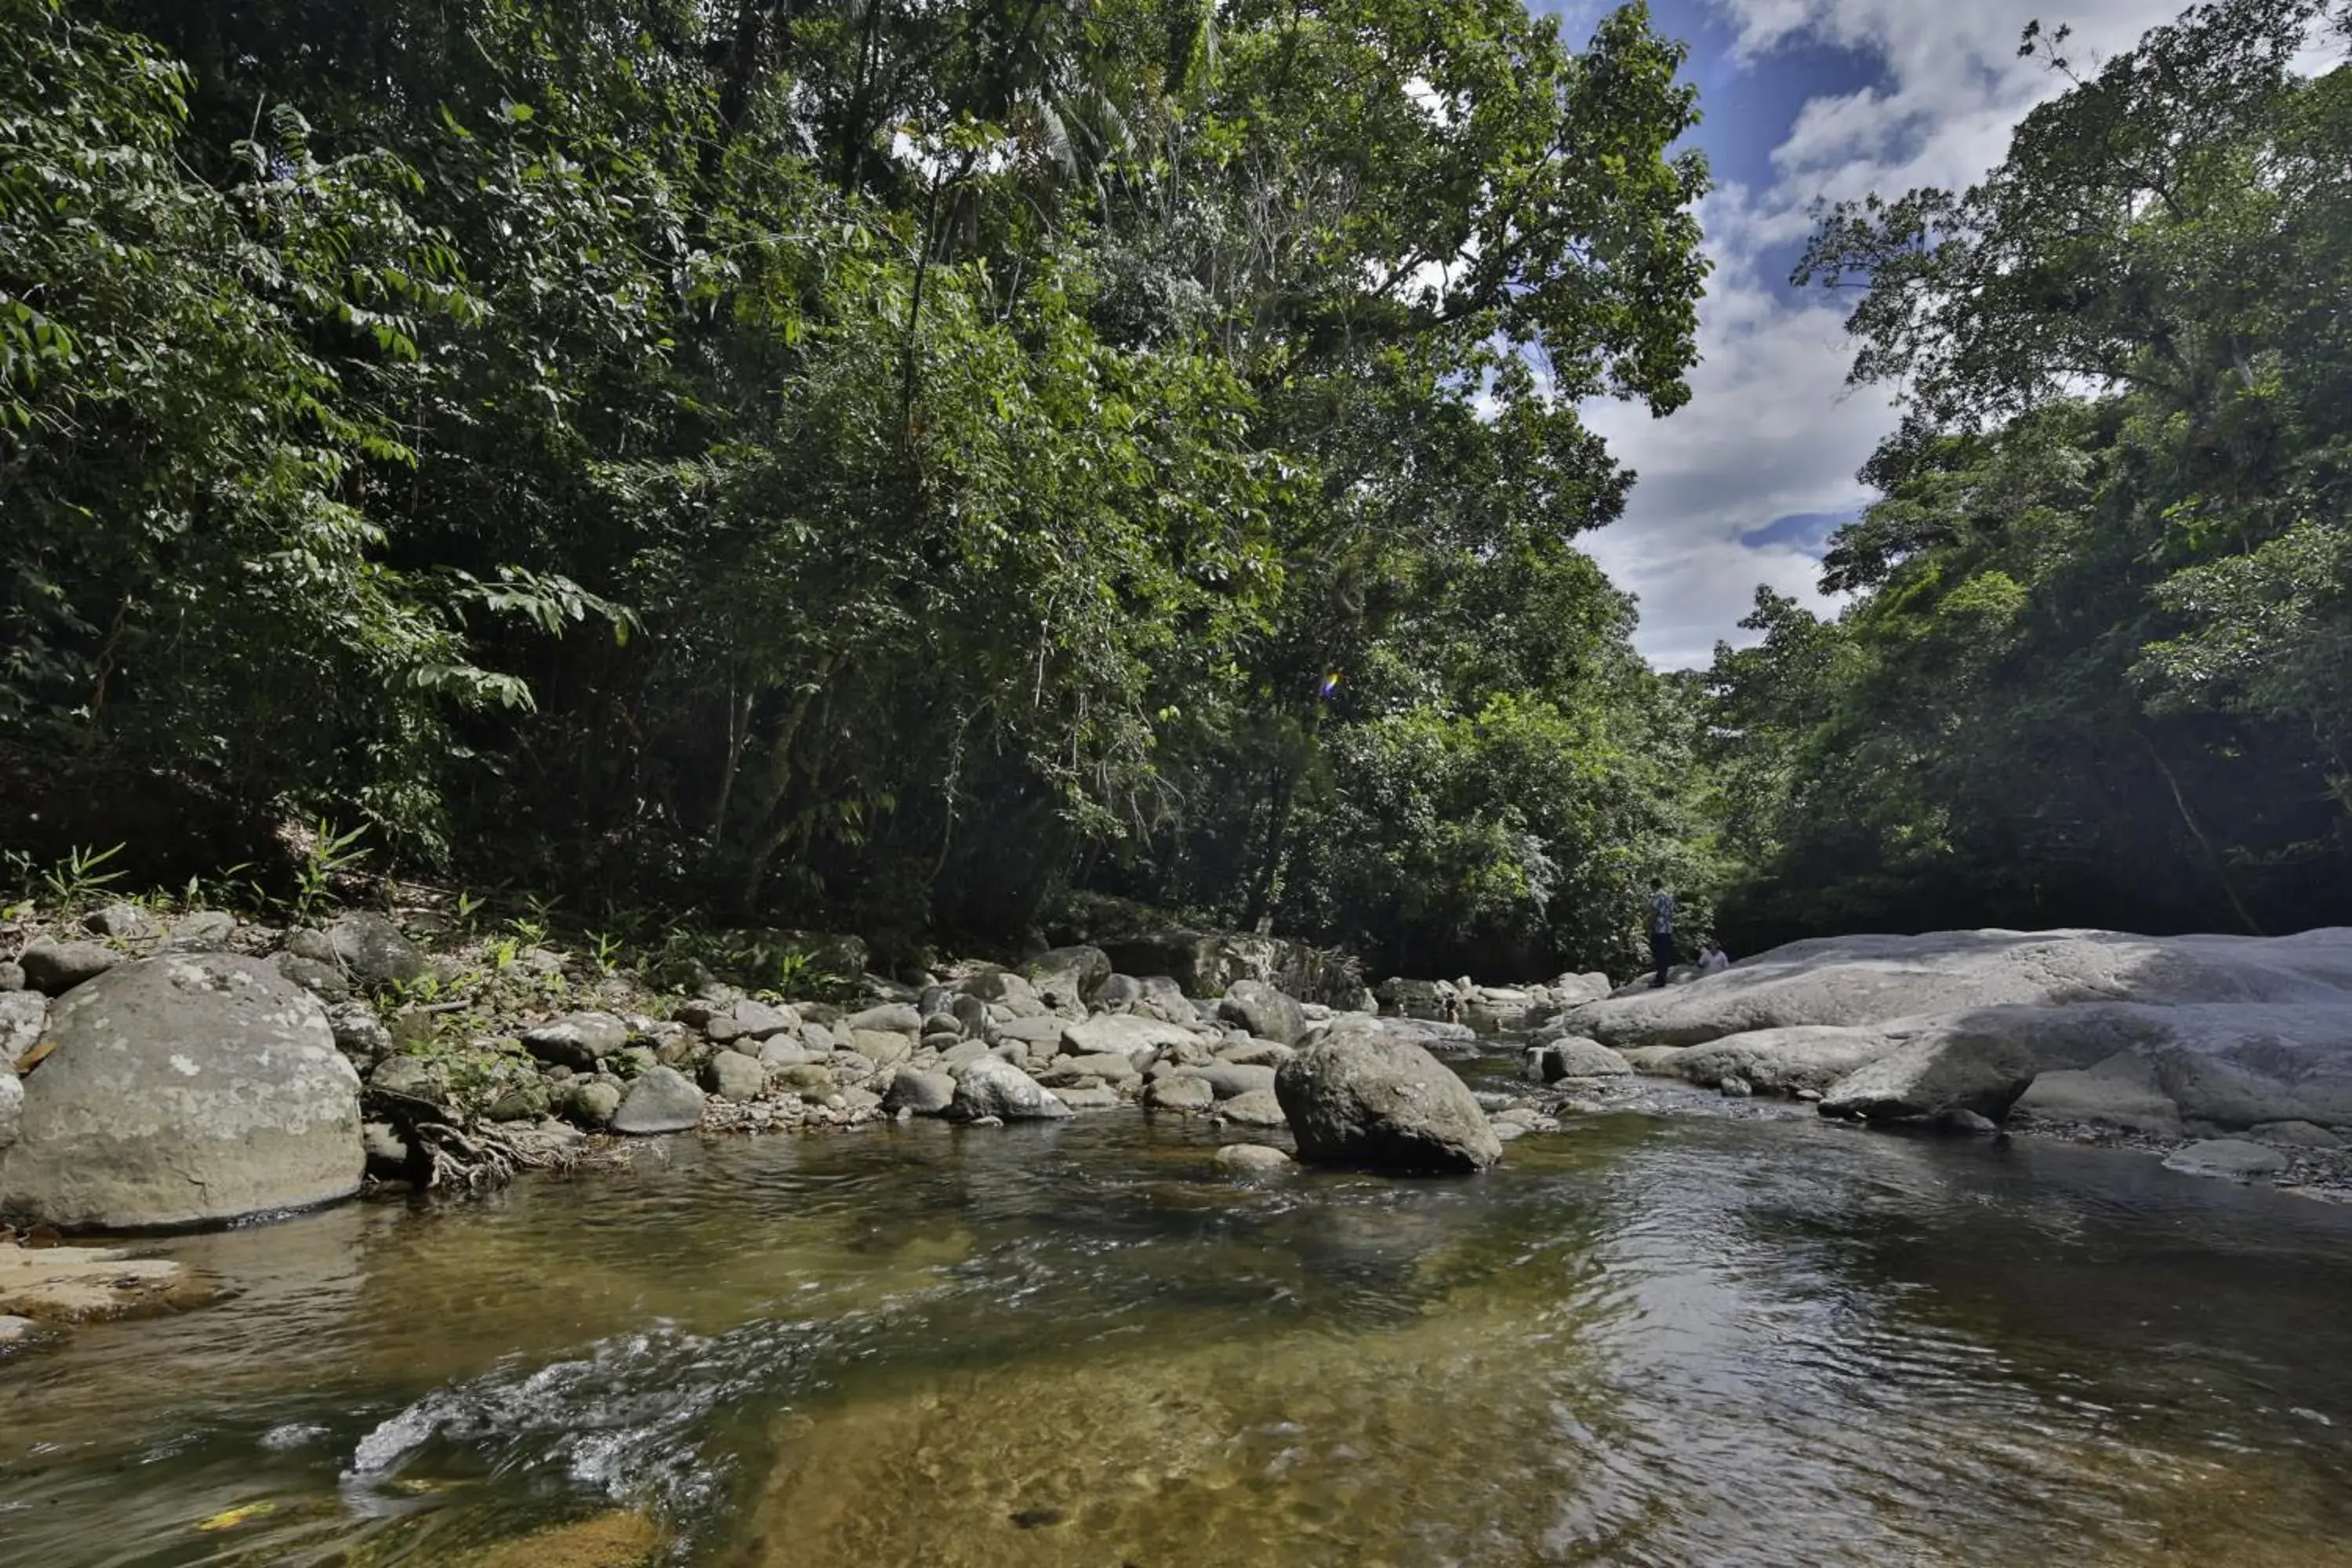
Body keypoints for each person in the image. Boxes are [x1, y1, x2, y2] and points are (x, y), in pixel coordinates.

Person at [1647, 880, 1675, 989]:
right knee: (1664, 955)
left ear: (1653, 886)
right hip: (1668, 929)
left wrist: (1648, 926)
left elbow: (1654, 912)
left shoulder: (1658, 896)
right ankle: (1662, 977)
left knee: (1658, 955)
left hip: (1659, 929)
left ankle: (1659, 980)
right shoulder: (1669, 896)